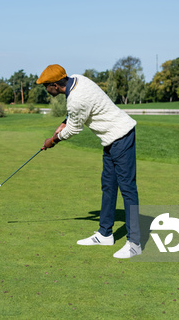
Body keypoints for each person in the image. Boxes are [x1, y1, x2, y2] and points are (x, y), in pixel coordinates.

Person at [38, 64, 141, 259]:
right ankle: (105, 234)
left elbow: (74, 129)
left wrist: (52, 141)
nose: (46, 90)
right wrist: (63, 122)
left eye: (46, 86)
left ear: (54, 85)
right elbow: (73, 116)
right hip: (110, 139)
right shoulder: (77, 79)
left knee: (127, 188)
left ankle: (134, 243)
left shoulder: (76, 99)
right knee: (108, 186)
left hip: (121, 136)